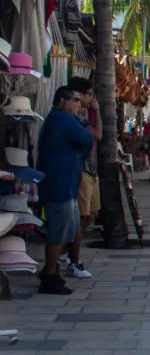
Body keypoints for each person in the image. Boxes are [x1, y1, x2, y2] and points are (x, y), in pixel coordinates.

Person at [36, 86, 96, 295]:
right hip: (60, 184)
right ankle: (50, 277)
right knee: (58, 232)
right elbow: (89, 139)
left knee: (65, 229)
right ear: (63, 101)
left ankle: (51, 270)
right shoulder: (62, 118)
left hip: (65, 183)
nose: (79, 105)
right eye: (75, 100)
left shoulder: (58, 118)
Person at [63, 76, 102, 279]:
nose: (89, 98)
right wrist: (97, 111)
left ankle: (65, 251)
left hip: (91, 169)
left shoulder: (80, 115)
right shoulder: (73, 117)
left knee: (91, 214)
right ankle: (70, 256)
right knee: (78, 218)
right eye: (88, 94)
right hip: (81, 171)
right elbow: (97, 135)